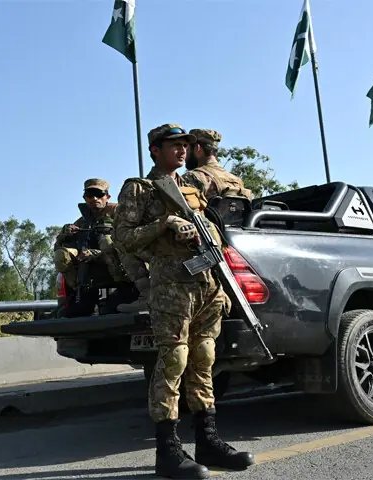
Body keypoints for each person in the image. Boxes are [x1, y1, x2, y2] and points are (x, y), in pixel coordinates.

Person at [115, 124, 254, 479]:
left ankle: (207, 440)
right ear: (155, 151)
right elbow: (124, 238)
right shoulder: (140, 188)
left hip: (206, 283)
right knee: (174, 358)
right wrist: (165, 224)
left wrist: (221, 284)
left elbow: (216, 235)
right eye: (174, 145)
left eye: (185, 145)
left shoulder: (192, 187)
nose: (182, 150)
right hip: (171, 284)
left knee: (205, 358)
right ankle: (168, 450)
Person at [53, 178, 126, 314]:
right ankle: (78, 292)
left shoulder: (119, 213)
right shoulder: (83, 221)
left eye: (99, 194)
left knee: (106, 240)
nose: (94, 199)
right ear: (85, 198)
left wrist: (98, 253)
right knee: (61, 255)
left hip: (118, 262)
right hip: (89, 270)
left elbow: (131, 237)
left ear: (107, 197)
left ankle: (123, 289)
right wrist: (65, 234)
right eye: (89, 195)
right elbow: (57, 246)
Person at [182, 129, 253, 201]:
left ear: (197, 148)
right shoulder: (237, 181)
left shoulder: (192, 177)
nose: (184, 153)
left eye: (186, 148)